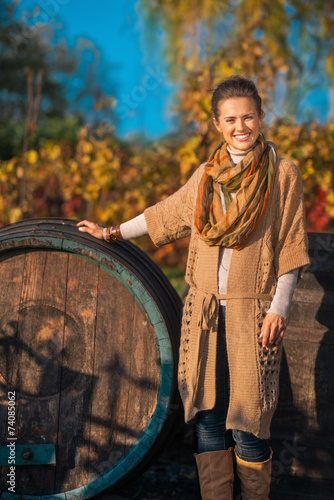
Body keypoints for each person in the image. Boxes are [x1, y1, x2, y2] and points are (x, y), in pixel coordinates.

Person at [77, 75, 310, 500]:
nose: (241, 126)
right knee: (208, 417)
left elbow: (290, 244)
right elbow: (164, 215)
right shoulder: (206, 176)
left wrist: (280, 307)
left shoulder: (283, 174)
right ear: (218, 124)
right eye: (230, 119)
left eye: (248, 117)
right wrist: (111, 232)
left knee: (250, 420)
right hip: (203, 312)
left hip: (253, 313)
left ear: (260, 118)